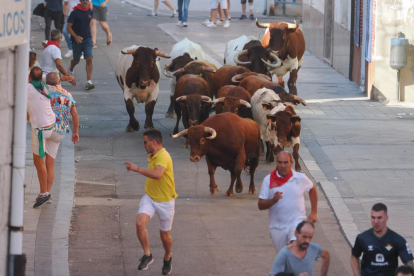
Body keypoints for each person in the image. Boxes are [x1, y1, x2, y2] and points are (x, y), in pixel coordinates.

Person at [124, 129, 177, 275]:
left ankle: (167, 257)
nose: (144, 145)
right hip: (150, 198)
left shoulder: (163, 156)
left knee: (165, 237)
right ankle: (147, 255)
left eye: (145, 142)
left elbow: (158, 174)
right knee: (140, 224)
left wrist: (137, 169)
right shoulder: (154, 155)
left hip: (165, 201)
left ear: (154, 142)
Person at [258, 151, 318, 252]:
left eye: (285, 162)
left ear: (291, 163)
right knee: (284, 257)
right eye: (280, 162)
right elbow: (260, 205)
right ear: (276, 163)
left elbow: (312, 189)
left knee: (295, 250)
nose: (282, 165)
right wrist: (273, 200)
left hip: (297, 222)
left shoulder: (300, 178)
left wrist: (314, 212)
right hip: (277, 227)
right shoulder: (268, 180)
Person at [351, 203, 414, 276]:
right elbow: (354, 256)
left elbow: (409, 262)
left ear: (386, 218)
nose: (376, 221)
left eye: (379, 218)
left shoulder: (397, 240)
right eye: (373, 217)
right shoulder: (362, 238)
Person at [44, 72, 79, 201]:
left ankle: (43, 193)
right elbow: (74, 114)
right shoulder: (68, 95)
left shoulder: (44, 90)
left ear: (46, 82)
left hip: (45, 129)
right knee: (50, 164)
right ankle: (47, 192)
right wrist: (75, 133)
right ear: (59, 82)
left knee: (40, 161)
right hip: (59, 132)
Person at [27, 67, 56, 208]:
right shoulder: (43, 86)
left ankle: (44, 194)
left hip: (40, 130)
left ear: (30, 78)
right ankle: (44, 192)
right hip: (51, 126)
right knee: (46, 163)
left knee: (39, 163)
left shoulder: (28, 88)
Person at [67, 0, 96, 90]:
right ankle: (71, 68)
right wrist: (75, 36)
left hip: (87, 39)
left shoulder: (90, 12)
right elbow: (68, 27)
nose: (85, 2)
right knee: (76, 60)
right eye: (83, 0)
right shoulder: (74, 12)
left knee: (89, 58)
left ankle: (89, 81)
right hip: (77, 41)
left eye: (87, 0)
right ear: (80, 1)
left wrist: (93, 39)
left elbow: (91, 25)